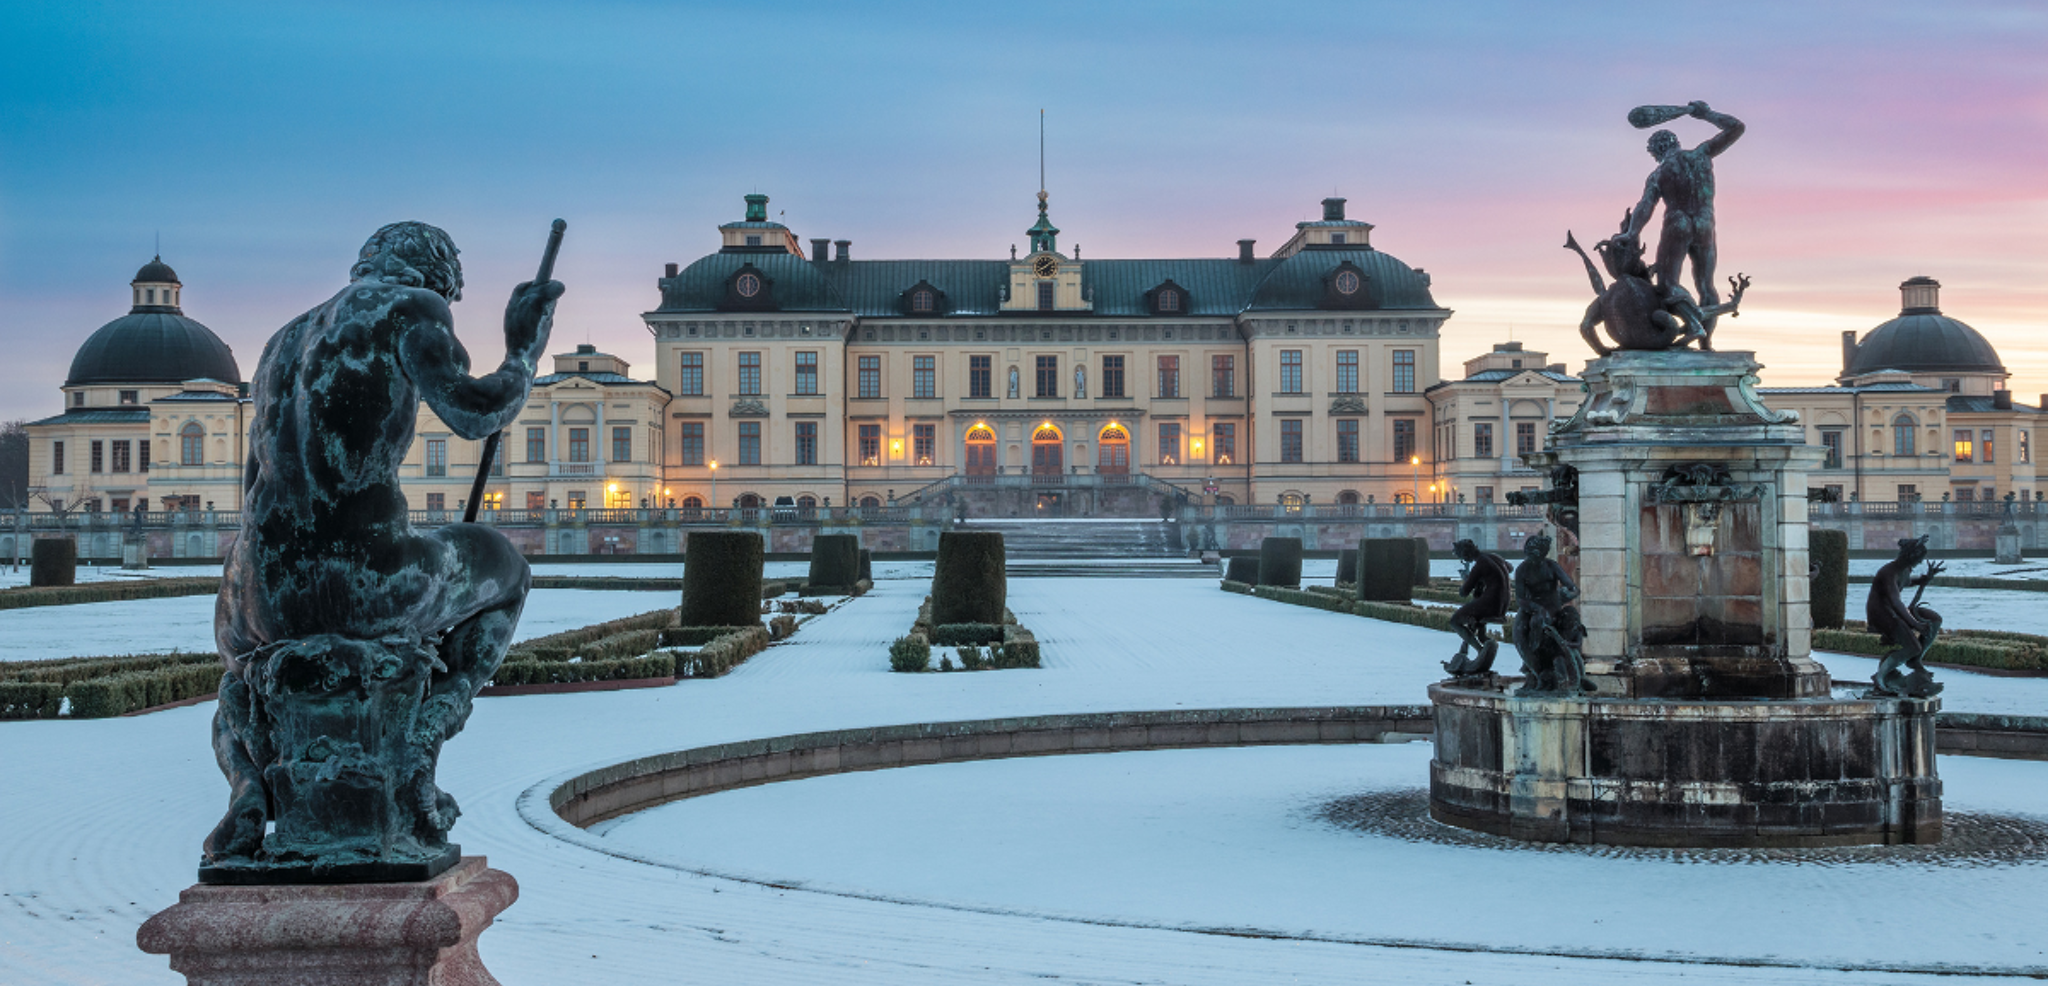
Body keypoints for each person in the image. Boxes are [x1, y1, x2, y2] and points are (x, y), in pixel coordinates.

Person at [206, 221, 560, 867]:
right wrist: (523, 350)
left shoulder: (283, 337)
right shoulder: (413, 306)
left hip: (262, 591)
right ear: (440, 273)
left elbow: (257, 477)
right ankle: (430, 726)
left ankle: (249, 788)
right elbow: (475, 413)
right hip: (362, 575)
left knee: (241, 673)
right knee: (504, 567)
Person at [1626, 100, 1744, 342]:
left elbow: (1645, 206)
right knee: (1706, 285)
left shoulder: (1659, 173)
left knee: (1667, 284)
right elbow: (1736, 127)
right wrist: (1707, 114)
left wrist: (1631, 233)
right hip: (1705, 224)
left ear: (1656, 151)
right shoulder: (1702, 154)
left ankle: (1693, 324)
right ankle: (1706, 342)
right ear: (1676, 143)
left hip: (1677, 223)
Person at [1444, 538, 1511, 676]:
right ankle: (1483, 641)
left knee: (1455, 621)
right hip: (1503, 602)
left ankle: (1480, 650)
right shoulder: (1493, 557)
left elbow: (1464, 592)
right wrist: (1482, 579)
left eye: (1461, 556)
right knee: (1475, 614)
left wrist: (1467, 578)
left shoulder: (1479, 565)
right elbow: (1509, 567)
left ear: (1465, 554)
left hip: (1491, 603)